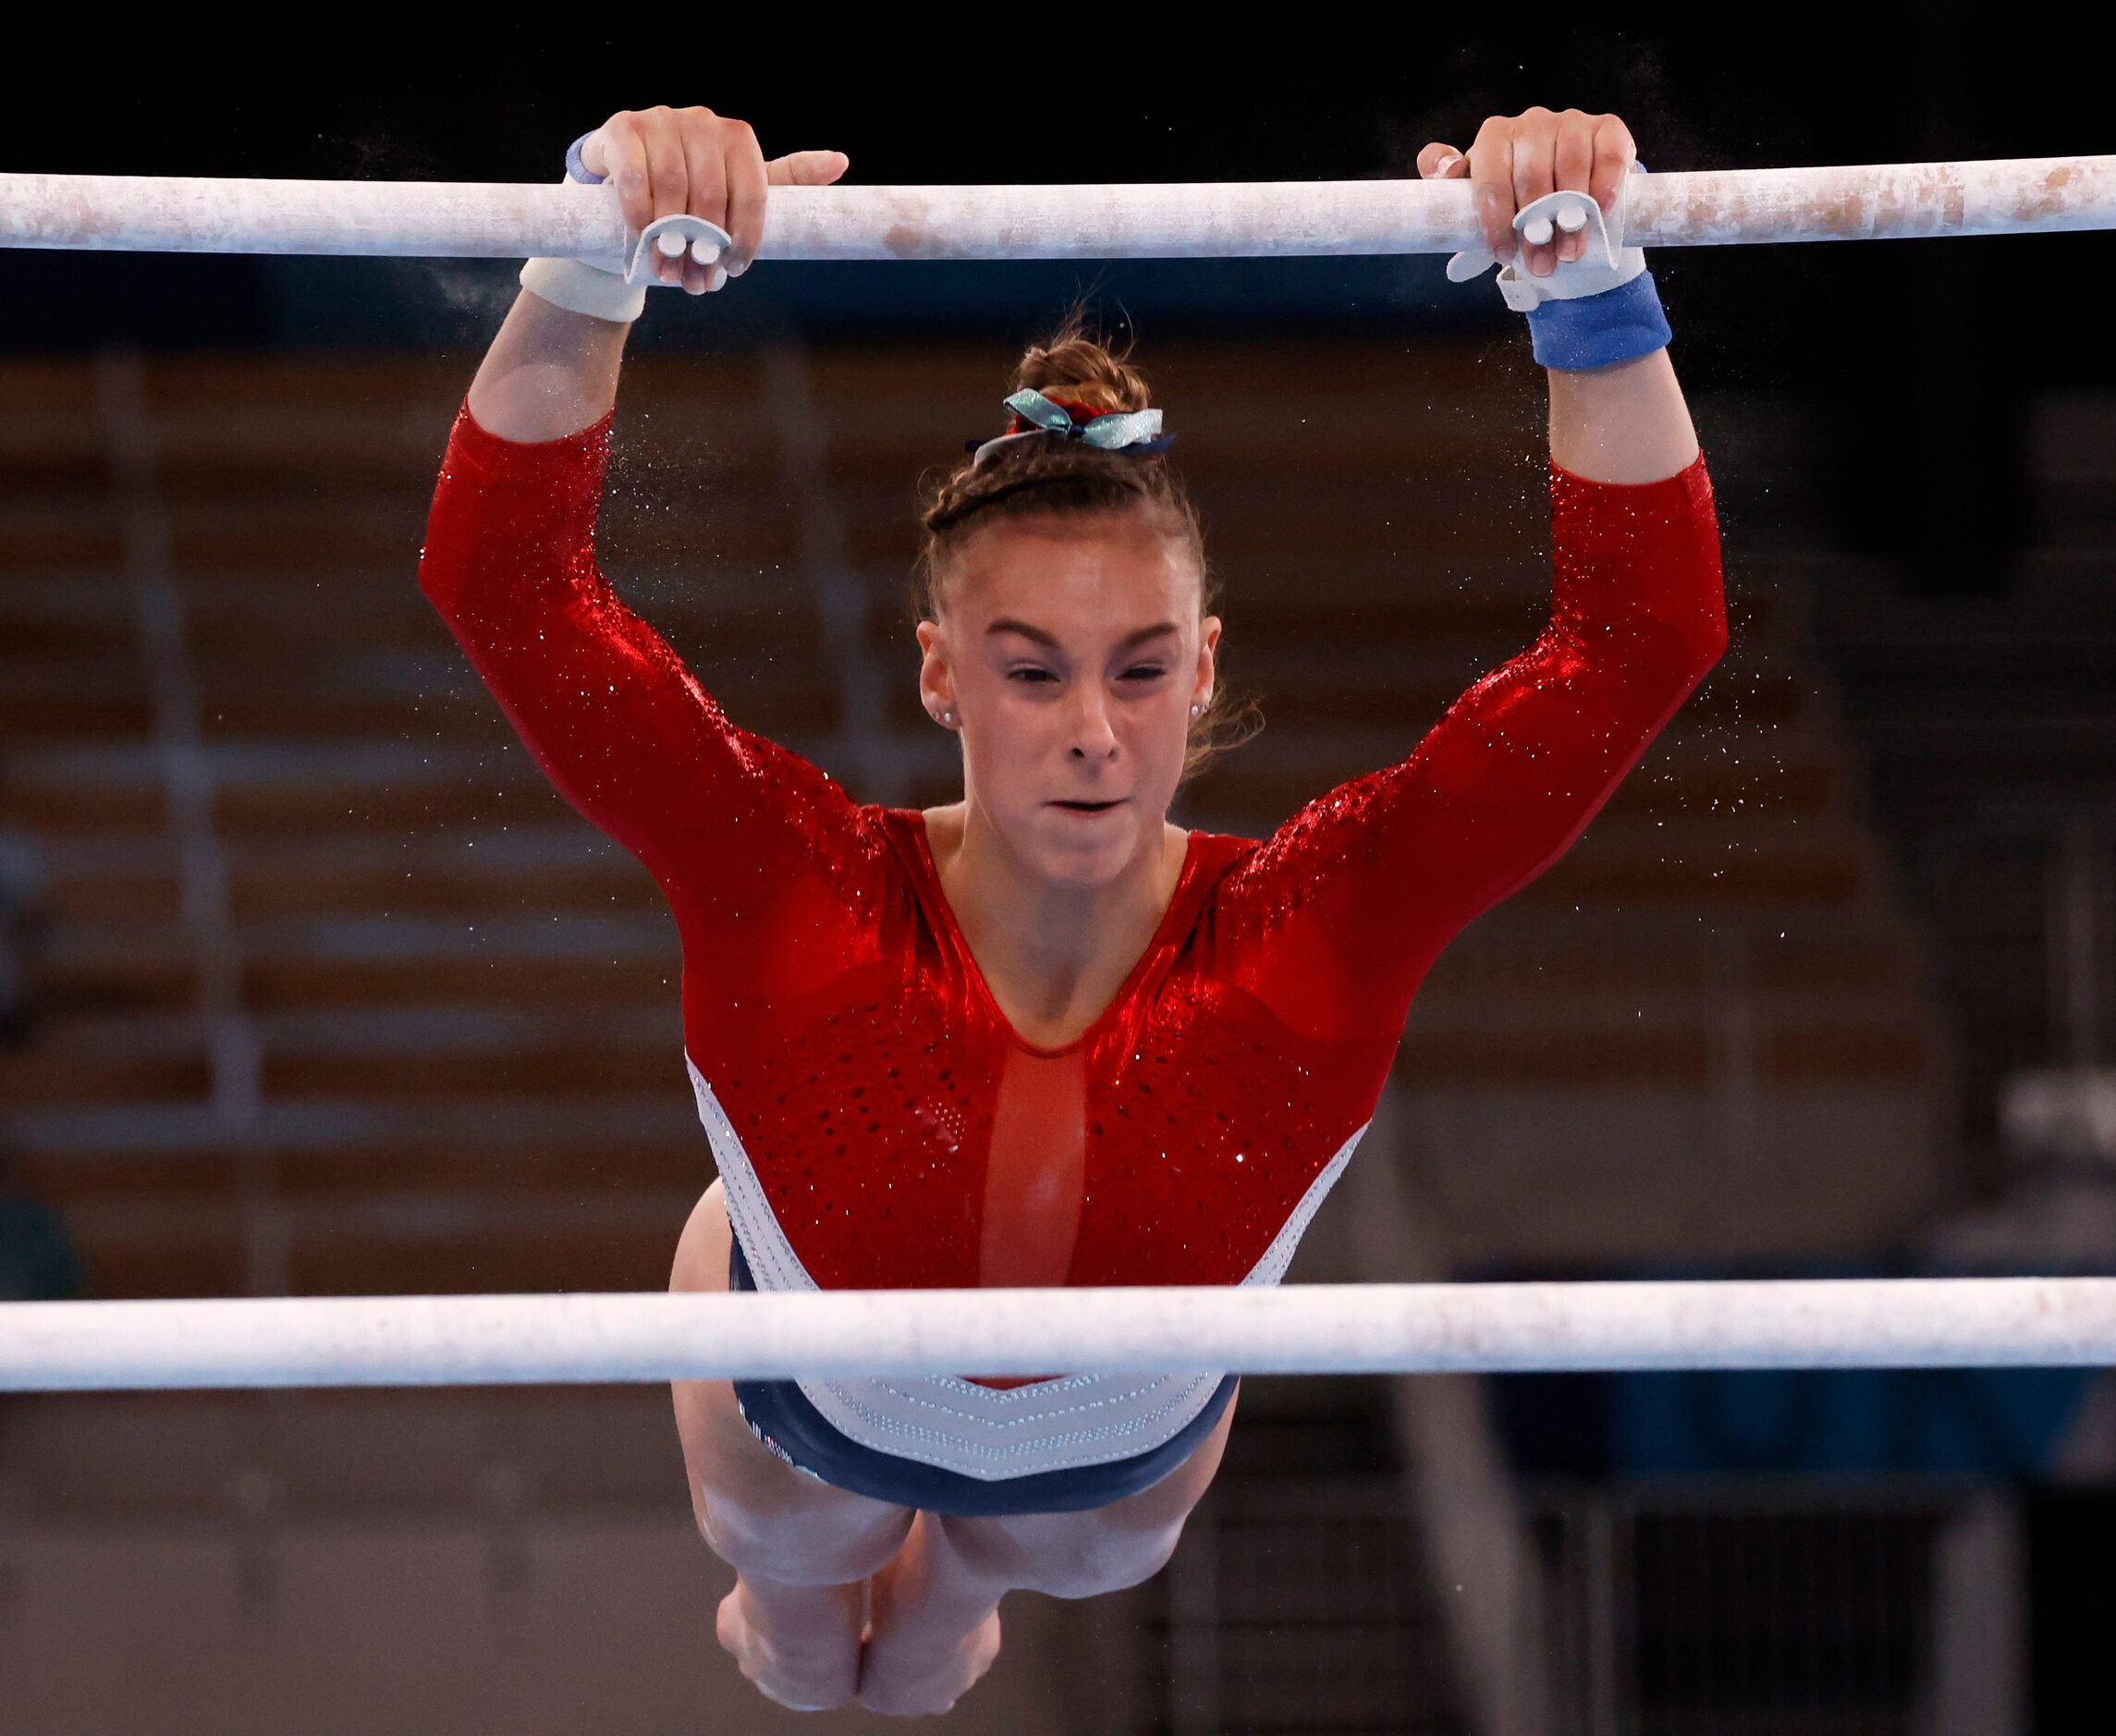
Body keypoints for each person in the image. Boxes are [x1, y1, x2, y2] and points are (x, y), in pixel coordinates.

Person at [419, 101, 1721, 1715]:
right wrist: (591, 264)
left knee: (1037, 1557)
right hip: (799, 1404)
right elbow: (507, 588)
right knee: (806, 1634)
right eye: (1030, 672)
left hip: (1116, 1466)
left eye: (1140, 669)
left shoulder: (1317, 923)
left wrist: (1591, 293)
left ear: (1206, 668)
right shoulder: (792, 880)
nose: (1093, 732)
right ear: (939, 676)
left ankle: (961, 1588)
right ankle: (857, 1606)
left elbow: (1637, 640)